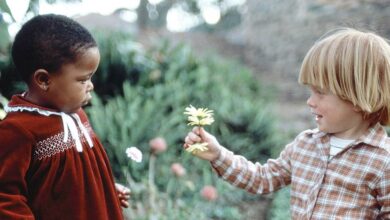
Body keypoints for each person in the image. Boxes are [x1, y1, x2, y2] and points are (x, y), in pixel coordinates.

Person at [184, 28, 390, 219]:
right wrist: (218, 155)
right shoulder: (305, 145)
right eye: (310, 91)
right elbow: (262, 179)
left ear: (357, 97)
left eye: (320, 92)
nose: (310, 101)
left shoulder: (383, 162)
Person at [0, 14, 130, 219]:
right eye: (83, 80)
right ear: (43, 80)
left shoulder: (77, 115)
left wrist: (105, 192)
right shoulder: (18, 130)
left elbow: (79, 177)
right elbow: (6, 196)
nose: (91, 86)